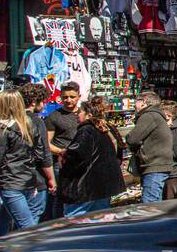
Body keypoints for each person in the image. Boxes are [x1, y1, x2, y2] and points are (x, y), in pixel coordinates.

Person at [0, 90, 45, 248]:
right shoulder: (30, 124)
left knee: (27, 228)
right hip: (28, 179)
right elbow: (40, 153)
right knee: (2, 226)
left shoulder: (3, 129)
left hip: (10, 182)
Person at [58, 98, 125, 216]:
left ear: (88, 115)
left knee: (75, 221)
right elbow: (118, 153)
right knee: (100, 219)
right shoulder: (107, 129)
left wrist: (64, 157)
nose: (77, 114)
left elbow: (77, 156)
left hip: (85, 187)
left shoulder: (86, 130)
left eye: (80, 112)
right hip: (104, 185)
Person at [126, 91, 174, 203]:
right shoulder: (156, 115)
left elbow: (132, 139)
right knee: (155, 205)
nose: (134, 104)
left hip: (155, 166)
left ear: (143, 102)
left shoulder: (149, 115)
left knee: (148, 206)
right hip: (158, 165)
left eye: (136, 101)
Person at [19, 83, 57, 223]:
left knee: (8, 219)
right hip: (34, 177)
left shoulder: (12, 119)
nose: (45, 105)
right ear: (35, 102)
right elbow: (43, 152)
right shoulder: (36, 121)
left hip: (13, 177)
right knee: (32, 218)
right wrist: (51, 178)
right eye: (43, 102)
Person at [44, 83, 82, 219]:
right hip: (61, 163)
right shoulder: (54, 116)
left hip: (81, 162)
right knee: (60, 198)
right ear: (60, 97)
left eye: (72, 97)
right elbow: (47, 143)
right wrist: (62, 151)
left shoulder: (84, 115)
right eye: (65, 97)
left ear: (79, 97)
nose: (69, 100)